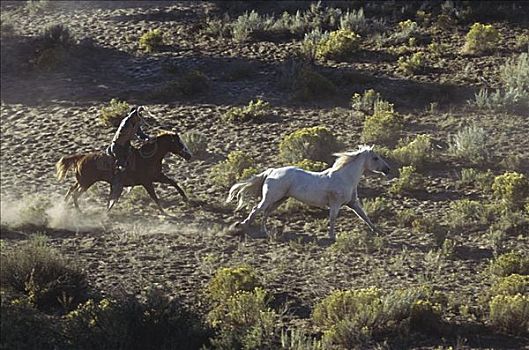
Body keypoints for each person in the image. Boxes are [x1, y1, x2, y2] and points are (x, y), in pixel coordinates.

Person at [107, 105, 151, 206]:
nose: (139, 117)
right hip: (118, 147)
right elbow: (129, 135)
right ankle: (117, 185)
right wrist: (141, 139)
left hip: (126, 147)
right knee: (121, 167)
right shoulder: (126, 122)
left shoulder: (136, 123)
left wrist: (147, 138)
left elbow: (140, 134)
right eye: (138, 115)